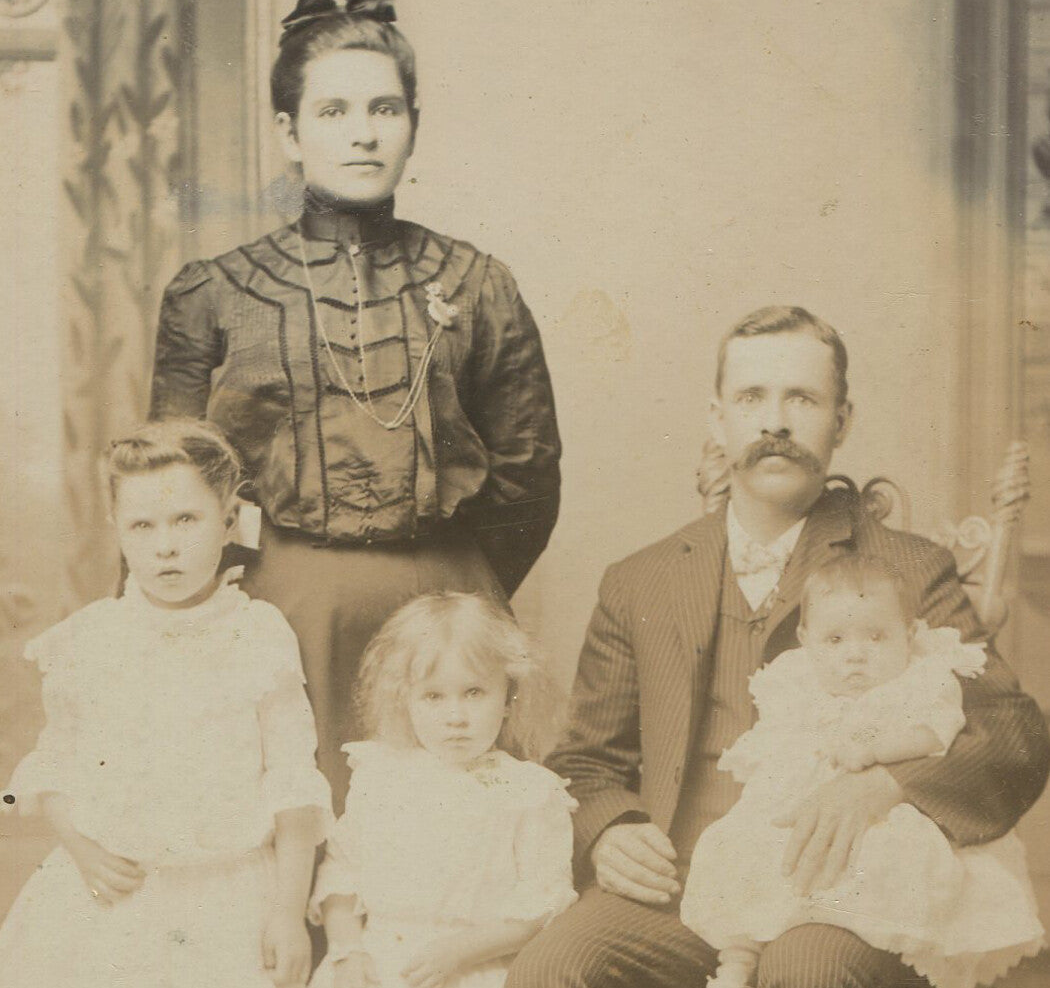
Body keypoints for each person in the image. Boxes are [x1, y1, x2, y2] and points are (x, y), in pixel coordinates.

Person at [506, 305, 1050, 988]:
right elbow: (583, 762)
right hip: (683, 886)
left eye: (802, 398)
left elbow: (1014, 735)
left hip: (838, 892)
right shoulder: (640, 580)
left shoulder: (908, 566)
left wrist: (886, 785)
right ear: (717, 418)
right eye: (752, 397)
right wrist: (610, 830)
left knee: (804, 970)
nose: (775, 422)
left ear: (841, 421)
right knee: (553, 967)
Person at [148, 0, 561, 805]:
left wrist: (457, 591)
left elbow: (527, 479)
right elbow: (168, 486)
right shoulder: (214, 292)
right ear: (289, 131)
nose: (363, 134)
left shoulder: (478, 283)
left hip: (447, 616)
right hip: (282, 612)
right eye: (333, 112)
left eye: (385, 109)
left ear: (412, 124)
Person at [0, 419, 332, 987]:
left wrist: (285, 913)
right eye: (142, 525)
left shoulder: (258, 635)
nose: (166, 544)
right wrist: (80, 849)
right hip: (111, 890)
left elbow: (293, 782)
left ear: (228, 520)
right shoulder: (88, 638)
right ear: (117, 530)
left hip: (228, 896)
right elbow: (56, 765)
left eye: (186, 519)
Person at [682, 553, 1045, 988]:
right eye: (835, 640)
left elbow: (936, 733)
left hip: (879, 819)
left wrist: (875, 749)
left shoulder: (916, 681)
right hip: (794, 810)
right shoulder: (799, 679)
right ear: (806, 639)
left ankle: (863, 929)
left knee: (865, 874)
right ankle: (735, 963)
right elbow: (776, 738)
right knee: (752, 860)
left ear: (908, 634)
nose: (855, 655)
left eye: (875, 637)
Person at [307, 592, 577, 988]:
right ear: (406, 700)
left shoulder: (529, 792)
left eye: (474, 693)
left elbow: (542, 905)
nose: (456, 717)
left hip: (473, 966)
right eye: (433, 696)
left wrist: (460, 951)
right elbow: (341, 874)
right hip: (373, 965)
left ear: (508, 698)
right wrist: (348, 951)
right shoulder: (380, 776)